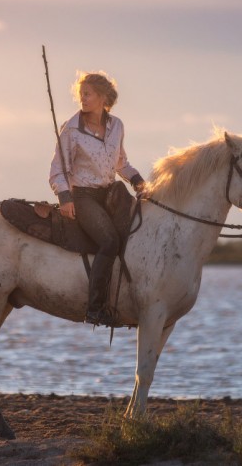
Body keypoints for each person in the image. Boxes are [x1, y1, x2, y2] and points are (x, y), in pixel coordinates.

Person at [49, 71, 145, 326]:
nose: (83, 98)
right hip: (84, 197)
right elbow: (57, 170)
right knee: (110, 241)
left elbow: (120, 163)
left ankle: (128, 299)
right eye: (81, 94)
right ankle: (95, 309)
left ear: (104, 97)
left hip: (111, 194)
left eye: (88, 94)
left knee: (134, 234)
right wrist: (65, 198)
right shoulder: (70, 129)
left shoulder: (117, 127)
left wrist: (138, 181)